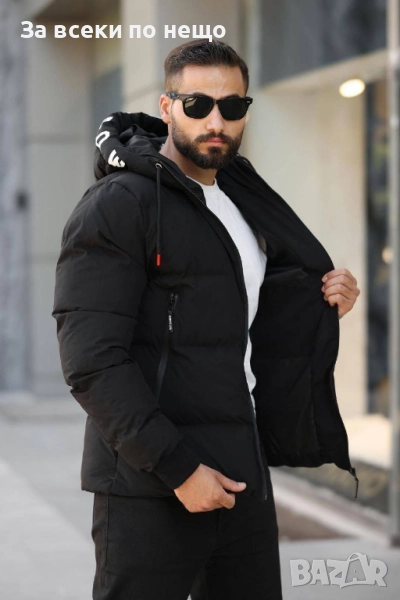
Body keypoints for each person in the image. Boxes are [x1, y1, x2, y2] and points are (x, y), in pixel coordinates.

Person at [52, 39, 361, 600]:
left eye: (232, 106)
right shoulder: (120, 204)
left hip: (242, 469)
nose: (216, 121)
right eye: (197, 105)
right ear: (167, 107)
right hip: (151, 483)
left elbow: (242, 315)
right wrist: (177, 469)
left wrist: (321, 301)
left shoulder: (243, 197)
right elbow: (92, 362)